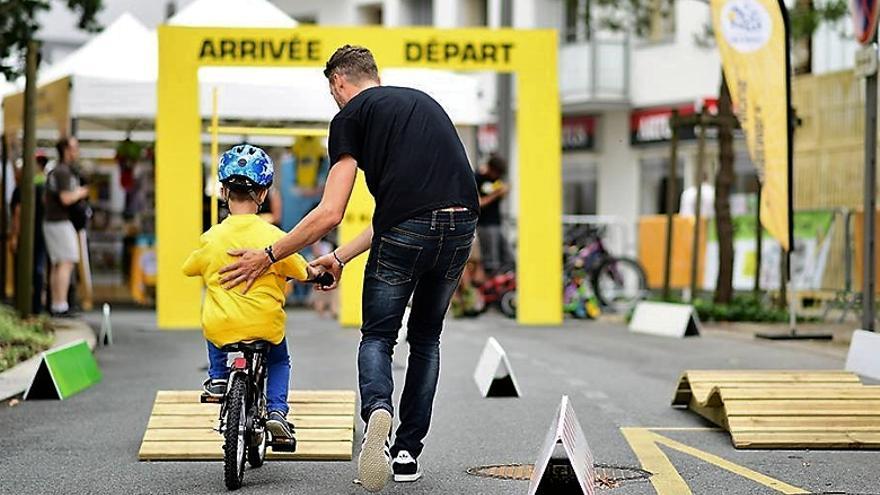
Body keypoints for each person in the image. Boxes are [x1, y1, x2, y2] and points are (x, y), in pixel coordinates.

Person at [218, 45, 479, 492]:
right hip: (461, 223)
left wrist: (271, 253)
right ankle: (406, 453)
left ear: (339, 82)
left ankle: (379, 409)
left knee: (378, 335)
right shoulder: (423, 103)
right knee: (426, 337)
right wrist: (338, 258)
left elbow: (330, 212)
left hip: (408, 228)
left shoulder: (351, 116)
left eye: (333, 92)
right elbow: (408, 212)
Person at [182, 144, 320, 441]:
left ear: (223, 192)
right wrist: (316, 275)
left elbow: (189, 268)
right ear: (263, 194)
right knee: (279, 360)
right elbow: (302, 270)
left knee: (213, 321)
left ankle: (219, 377)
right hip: (264, 325)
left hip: (224, 326)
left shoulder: (212, 237)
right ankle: (276, 412)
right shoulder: (274, 238)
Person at [43, 137, 89, 317]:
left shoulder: (57, 171)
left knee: (59, 263)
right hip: (59, 221)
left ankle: (57, 304)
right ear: (65, 150)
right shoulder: (63, 172)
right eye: (74, 148)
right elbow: (65, 198)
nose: (76, 151)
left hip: (54, 221)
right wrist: (80, 192)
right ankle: (60, 305)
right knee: (66, 262)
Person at [10, 152, 49, 313]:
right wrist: (15, 235)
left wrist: (14, 236)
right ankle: (29, 307)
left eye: (41, 164)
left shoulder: (37, 188)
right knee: (32, 270)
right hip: (32, 235)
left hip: (38, 235)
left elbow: (17, 213)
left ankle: (32, 307)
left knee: (34, 270)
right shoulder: (25, 189)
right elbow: (18, 214)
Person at [475, 154, 514, 274]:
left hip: (496, 222)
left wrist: (504, 192)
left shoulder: (496, 180)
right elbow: (478, 202)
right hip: (485, 224)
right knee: (491, 261)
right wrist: (496, 194)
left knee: (508, 258)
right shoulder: (478, 178)